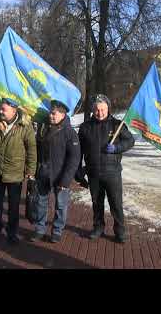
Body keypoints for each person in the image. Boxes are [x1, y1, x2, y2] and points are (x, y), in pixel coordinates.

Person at [78, 94, 135, 243]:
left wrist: (117, 148)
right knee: (97, 203)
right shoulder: (85, 127)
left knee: (116, 203)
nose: (100, 112)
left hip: (113, 172)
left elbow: (130, 141)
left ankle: (120, 231)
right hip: (93, 172)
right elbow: (79, 151)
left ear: (108, 109)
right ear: (92, 110)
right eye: (97, 109)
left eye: (103, 109)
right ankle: (98, 227)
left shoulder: (117, 125)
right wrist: (78, 171)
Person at [0, 98, 37, 245]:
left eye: (4, 110)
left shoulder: (24, 126)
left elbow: (32, 150)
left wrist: (31, 170)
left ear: (14, 111)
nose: (1, 112)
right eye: (1, 109)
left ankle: (12, 233)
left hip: (15, 174)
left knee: (13, 208)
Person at [30, 100, 81, 244]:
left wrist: (66, 179)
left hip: (60, 175)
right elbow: (38, 150)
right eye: (50, 113)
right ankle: (40, 229)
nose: (51, 116)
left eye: (54, 113)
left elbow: (74, 158)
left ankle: (57, 231)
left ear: (63, 114)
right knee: (41, 203)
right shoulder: (44, 128)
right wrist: (35, 170)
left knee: (60, 205)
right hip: (43, 173)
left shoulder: (70, 133)